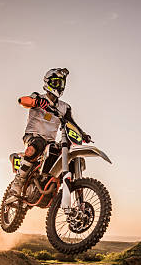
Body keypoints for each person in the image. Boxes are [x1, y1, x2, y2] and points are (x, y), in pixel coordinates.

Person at [10, 68, 91, 196]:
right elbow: (23, 101)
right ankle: (18, 183)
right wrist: (35, 102)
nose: (60, 86)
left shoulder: (65, 107)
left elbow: (72, 123)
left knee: (68, 155)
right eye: (56, 82)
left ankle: (61, 187)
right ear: (48, 82)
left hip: (50, 142)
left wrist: (83, 134)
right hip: (33, 136)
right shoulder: (38, 97)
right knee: (37, 144)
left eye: (62, 83)